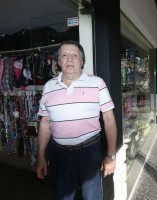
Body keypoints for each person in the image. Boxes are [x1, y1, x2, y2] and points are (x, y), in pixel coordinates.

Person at [36, 40, 117, 200]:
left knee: (92, 197)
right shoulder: (48, 87)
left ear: (82, 61)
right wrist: (41, 156)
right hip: (58, 153)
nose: (69, 59)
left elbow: (109, 120)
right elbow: (45, 123)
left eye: (74, 55)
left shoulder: (97, 83)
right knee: (62, 196)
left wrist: (111, 156)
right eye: (64, 55)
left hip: (90, 152)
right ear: (58, 61)